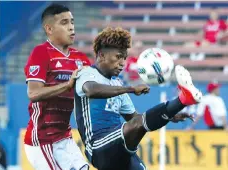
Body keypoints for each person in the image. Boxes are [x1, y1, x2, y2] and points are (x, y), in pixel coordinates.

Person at [74, 27, 202, 170]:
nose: (122, 62)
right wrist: (131, 89)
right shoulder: (86, 73)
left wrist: (169, 115)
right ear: (102, 55)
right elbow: (91, 90)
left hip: (119, 145)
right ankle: (183, 99)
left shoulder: (116, 84)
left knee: (138, 125)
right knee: (137, 124)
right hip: (98, 147)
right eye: (118, 57)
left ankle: (181, 101)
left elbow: (137, 119)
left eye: (124, 57)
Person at [24, 4, 90, 170]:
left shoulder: (80, 58)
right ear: (49, 29)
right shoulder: (41, 53)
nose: (71, 27)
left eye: (72, 22)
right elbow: (33, 93)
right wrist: (67, 85)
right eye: (64, 23)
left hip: (65, 138)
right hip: (41, 140)